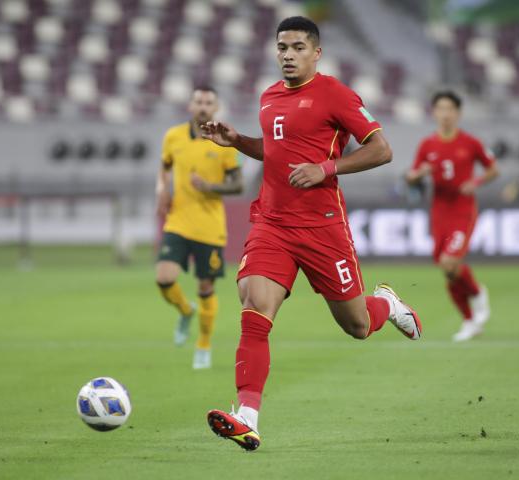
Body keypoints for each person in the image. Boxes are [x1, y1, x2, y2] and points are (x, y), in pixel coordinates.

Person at [199, 16, 422, 451]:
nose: (288, 55)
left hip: (323, 228)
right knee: (254, 304)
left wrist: (327, 168)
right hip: (273, 223)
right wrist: (238, 140)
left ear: (316, 53)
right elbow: (275, 151)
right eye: (282, 47)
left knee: (357, 325)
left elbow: (382, 149)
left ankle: (388, 305)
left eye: (298, 47)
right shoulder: (268, 97)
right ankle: (247, 416)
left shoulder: (335, 94)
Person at [155, 86, 243, 369]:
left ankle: (203, 344)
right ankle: (185, 310)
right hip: (178, 221)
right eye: (198, 101)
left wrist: (209, 186)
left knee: (205, 287)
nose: (203, 106)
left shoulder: (223, 141)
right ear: (190, 106)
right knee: (164, 278)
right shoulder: (173, 136)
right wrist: (161, 191)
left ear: (215, 108)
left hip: (210, 227)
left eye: (208, 102)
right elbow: (164, 167)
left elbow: (238, 185)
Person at [406, 91, 498, 342]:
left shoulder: (470, 143)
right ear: (434, 112)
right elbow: (411, 177)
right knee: (447, 270)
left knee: (449, 262)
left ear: (458, 113)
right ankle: (470, 319)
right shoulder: (427, 145)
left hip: (462, 210)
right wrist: (419, 174)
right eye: (440, 109)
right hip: (439, 211)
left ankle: (476, 296)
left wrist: (475, 181)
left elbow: (493, 169)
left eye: (449, 109)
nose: (445, 114)